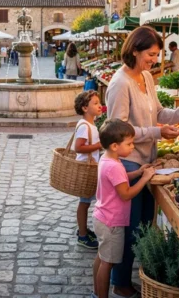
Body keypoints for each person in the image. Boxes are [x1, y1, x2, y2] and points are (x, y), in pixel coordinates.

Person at [105, 26, 179, 297]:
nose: (154, 59)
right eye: (150, 54)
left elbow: (159, 112)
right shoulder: (120, 83)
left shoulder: (147, 77)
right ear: (135, 50)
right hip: (128, 165)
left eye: (157, 55)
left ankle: (131, 275)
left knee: (143, 225)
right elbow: (119, 130)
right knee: (130, 227)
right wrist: (156, 132)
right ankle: (121, 282)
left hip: (147, 164)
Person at [92, 119, 156, 298]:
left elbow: (120, 178)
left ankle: (96, 292)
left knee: (101, 257)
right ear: (114, 145)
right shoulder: (114, 165)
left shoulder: (108, 159)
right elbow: (126, 194)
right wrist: (144, 179)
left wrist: (138, 172)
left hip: (102, 217)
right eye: (129, 144)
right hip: (112, 223)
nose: (132, 147)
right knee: (108, 263)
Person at [73, 90, 103, 250]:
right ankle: (83, 235)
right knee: (84, 203)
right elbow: (79, 147)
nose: (100, 106)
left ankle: (84, 230)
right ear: (85, 108)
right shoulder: (86, 126)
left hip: (90, 168)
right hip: (86, 170)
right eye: (96, 103)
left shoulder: (90, 124)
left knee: (85, 202)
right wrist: (99, 145)